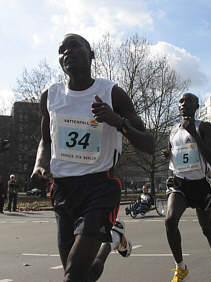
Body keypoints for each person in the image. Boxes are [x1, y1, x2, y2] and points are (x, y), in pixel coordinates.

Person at [30, 33, 154, 282]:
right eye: (61, 49)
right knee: (84, 275)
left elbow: (148, 144)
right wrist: (39, 166)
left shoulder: (111, 93)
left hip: (99, 188)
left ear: (91, 54)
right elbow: (46, 140)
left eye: (74, 46)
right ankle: (112, 240)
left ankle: (111, 235)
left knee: (73, 275)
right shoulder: (50, 96)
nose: (66, 52)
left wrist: (117, 121)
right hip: (63, 190)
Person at [162, 93, 211, 282]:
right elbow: (173, 152)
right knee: (170, 221)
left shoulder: (203, 127)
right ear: (178, 107)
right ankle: (180, 268)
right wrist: (168, 154)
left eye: (189, 101)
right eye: (181, 101)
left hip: (200, 184)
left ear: (196, 106)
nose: (184, 104)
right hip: (179, 182)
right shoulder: (172, 130)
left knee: (206, 229)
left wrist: (194, 134)